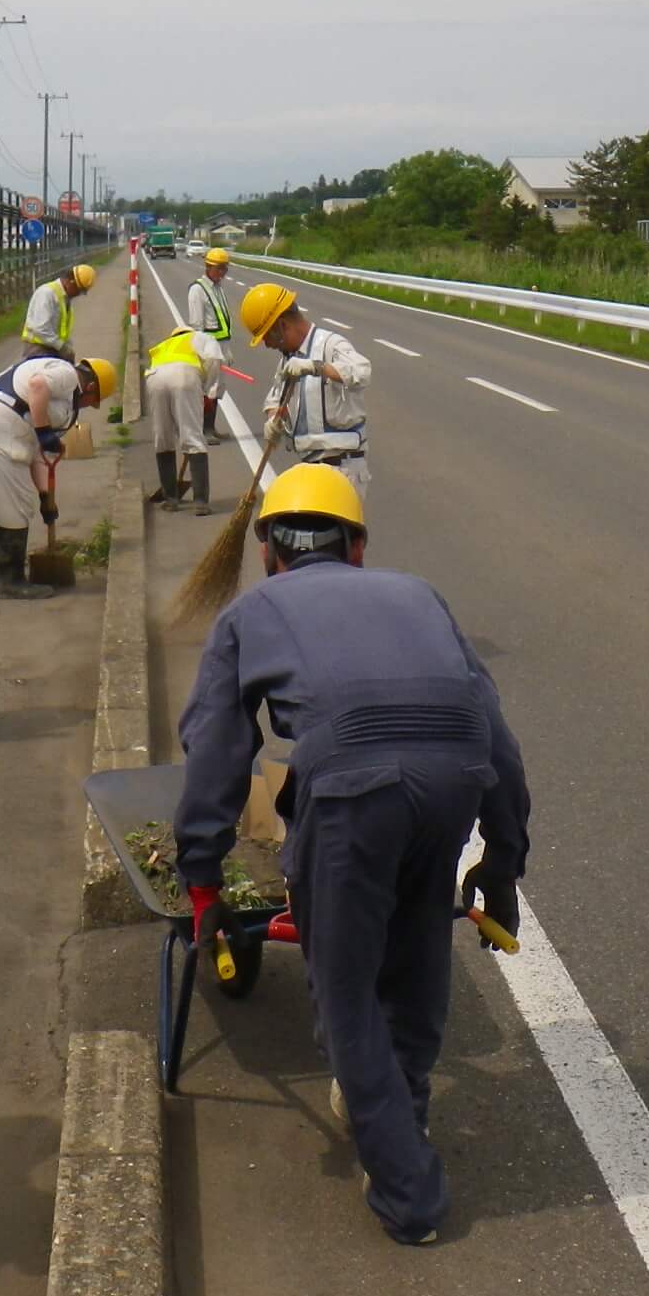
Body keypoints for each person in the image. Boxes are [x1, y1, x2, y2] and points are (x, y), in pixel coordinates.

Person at [169, 467, 530, 1248]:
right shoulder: (420, 594)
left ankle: (410, 1195)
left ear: (268, 549)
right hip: (453, 783)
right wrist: (503, 859)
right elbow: (493, 731)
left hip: (353, 790)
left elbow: (217, 751)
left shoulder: (252, 609)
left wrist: (201, 869)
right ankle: (397, 1114)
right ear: (357, 546)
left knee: (346, 995)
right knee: (414, 956)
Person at [0, 352, 116, 597]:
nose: (86, 406)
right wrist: (44, 433)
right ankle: (11, 584)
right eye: (92, 401)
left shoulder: (55, 394)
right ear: (90, 387)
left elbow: (36, 455)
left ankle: (1, 579)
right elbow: (37, 386)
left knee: (7, 506)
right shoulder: (68, 375)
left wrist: (44, 496)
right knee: (15, 509)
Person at [239, 281, 373, 496]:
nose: (268, 345)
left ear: (282, 325)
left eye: (267, 337)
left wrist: (316, 367)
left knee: (335, 530)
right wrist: (274, 419)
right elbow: (276, 397)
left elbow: (361, 372)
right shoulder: (288, 360)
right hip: (310, 467)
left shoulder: (330, 344)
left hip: (343, 468)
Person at [143, 323, 222, 513]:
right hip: (185, 376)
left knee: (162, 437)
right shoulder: (201, 337)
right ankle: (201, 502)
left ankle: (171, 498)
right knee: (192, 436)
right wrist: (207, 390)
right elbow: (213, 359)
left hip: (155, 378)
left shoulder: (166, 344)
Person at [184, 248, 233, 438]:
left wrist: (227, 350)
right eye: (219, 269)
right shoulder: (198, 289)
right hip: (209, 347)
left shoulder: (218, 288)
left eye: (225, 269)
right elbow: (196, 324)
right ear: (209, 267)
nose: (222, 273)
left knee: (219, 388)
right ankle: (205, 430)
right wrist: (203, 352)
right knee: (208, 389)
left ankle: (211, 427)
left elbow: (223, 319)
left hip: (221, 345)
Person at [20, 262, 96, 361]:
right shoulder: (47, 294)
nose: (78, 294)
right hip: (38, 350)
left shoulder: (65, 299)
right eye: (79, 290)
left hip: (52, 347)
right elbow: (40, 329)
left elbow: (62, 331)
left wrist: (67, 347)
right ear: (71, 281)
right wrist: (62, 347)